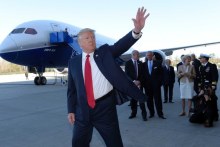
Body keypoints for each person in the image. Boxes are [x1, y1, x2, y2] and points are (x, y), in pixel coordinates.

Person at [67, 7, 150, 147]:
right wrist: (71, 110)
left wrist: (136, 31)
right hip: (82, 111)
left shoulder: (105, 53)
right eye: (87, 38)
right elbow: (71, 89)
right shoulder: (74, 62)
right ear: (80, 43)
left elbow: (120, 46)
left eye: (93, 37)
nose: (91, 40)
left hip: (104, 109)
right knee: (78, 143)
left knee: (114, 143)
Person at [142, 51, 166, 119]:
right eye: (147, 55)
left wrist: (160, 83)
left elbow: (162, 74)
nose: (149, 56)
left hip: (156, 85)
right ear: (146, 56)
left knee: (158, 100)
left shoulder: (158, 63)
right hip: (147, 86)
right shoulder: (143, 65)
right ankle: (151, 113)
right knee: (149, 100)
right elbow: (143, 75)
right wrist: (144, 84)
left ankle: (160, 114)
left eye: (150, 55)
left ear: (153, 56)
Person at [125, 50, 147, 121]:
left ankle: (144, 115)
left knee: (141, 100)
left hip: (139, 84)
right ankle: (133, 113)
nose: (138, 56)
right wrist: (134, 81)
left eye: (138, 55)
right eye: (137, 55)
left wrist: (139, 81)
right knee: (133, 100)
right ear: (133, 55)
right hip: (132, 84)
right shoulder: (128, 63)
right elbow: (127, 74)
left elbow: (143, 74)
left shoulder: (140, 63)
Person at [198, 53, 219, 121]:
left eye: (201, 58)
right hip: (203, 86)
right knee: (204, 101)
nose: (200, 59)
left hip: (210, 86)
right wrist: (200, 87)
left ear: (205, 59)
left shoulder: (212, 66)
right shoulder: (201, 67)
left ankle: (215, 115)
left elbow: (215, 76)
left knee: (212, 100)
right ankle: (207, 115)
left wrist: (213, 85)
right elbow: (201, 78)